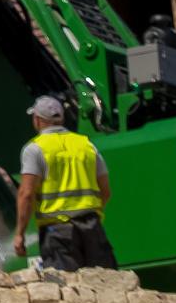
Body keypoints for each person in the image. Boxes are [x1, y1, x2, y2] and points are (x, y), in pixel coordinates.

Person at [15, 94, 118, 271]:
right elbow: (105, 191)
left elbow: (26, 194)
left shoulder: (35, 149)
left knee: (66, 284)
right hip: (92, 228)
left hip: (59, 233)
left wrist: (20, 234)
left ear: (37, 120)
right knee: (105, 281)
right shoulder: (86, 145)